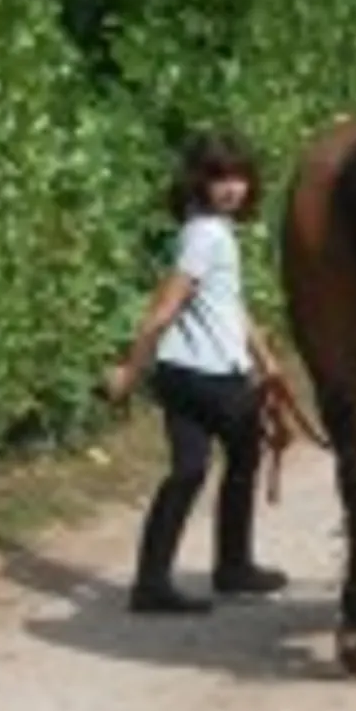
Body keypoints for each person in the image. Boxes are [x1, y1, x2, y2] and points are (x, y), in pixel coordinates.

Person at [102, 132, 291, 614]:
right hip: (211, 376)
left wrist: (266, 360)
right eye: (219, 178)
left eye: (239, 177)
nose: (232, 188)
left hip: (182, 373)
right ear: (198, 182)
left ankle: (152, 581)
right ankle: (232, 567)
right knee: (242, 460)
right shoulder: (207, 235)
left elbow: (228, 302)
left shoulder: (204, 230)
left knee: (188, 470)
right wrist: (128, 370)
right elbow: (164, 309)